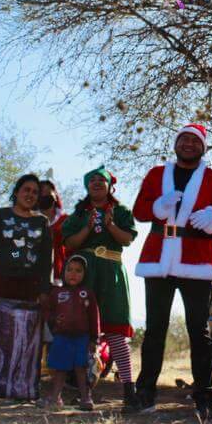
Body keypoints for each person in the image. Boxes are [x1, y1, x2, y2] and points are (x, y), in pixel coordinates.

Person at [131, 124, 212, 418]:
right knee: (154, 329)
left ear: (203, 148)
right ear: (176, 144)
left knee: (199, 331)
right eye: (183, 139)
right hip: (158, 256)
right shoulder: (156, 174)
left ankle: (204, 396)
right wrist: (158, 206)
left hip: (196, 260)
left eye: (194, 140)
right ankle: (146, 393)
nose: (188, 144)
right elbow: (139, 211)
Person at [0, 174, 53, 400]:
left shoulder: (42, 223)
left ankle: (19, 389)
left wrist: (45, 291)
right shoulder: (0, 216)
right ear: (16, 192)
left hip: (29, 292)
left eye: (35, 192)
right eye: (26, 190)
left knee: (23, 343)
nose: (30, 195)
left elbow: (46, 260)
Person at [62, 167, 138, 405]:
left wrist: (111, 225)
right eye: (92, 180)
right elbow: (69, 242)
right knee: (83, 331)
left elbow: (127, 238)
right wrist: (87, 227)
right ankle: (82, 390)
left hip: (112, 273)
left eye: (101, 180)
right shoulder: (78, 213)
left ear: (109, 185)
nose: (96, 183)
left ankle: (129, 390)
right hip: (87, 273)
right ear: (87, 186)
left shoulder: (121, 211)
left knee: (115, 330)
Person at [39, 255, 101, 409]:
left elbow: (94, 317)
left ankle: (85, 398)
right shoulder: (57, 293)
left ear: (85, 274)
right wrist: (54, 323)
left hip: (82, 338)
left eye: (78, 271)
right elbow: (48, 310)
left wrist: (94, 339)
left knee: (81, 369)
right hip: (61, 337)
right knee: (60, 369)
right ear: (63, 272)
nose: (73, 274)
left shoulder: (88, 293)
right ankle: (55, 398)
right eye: (69, 270)